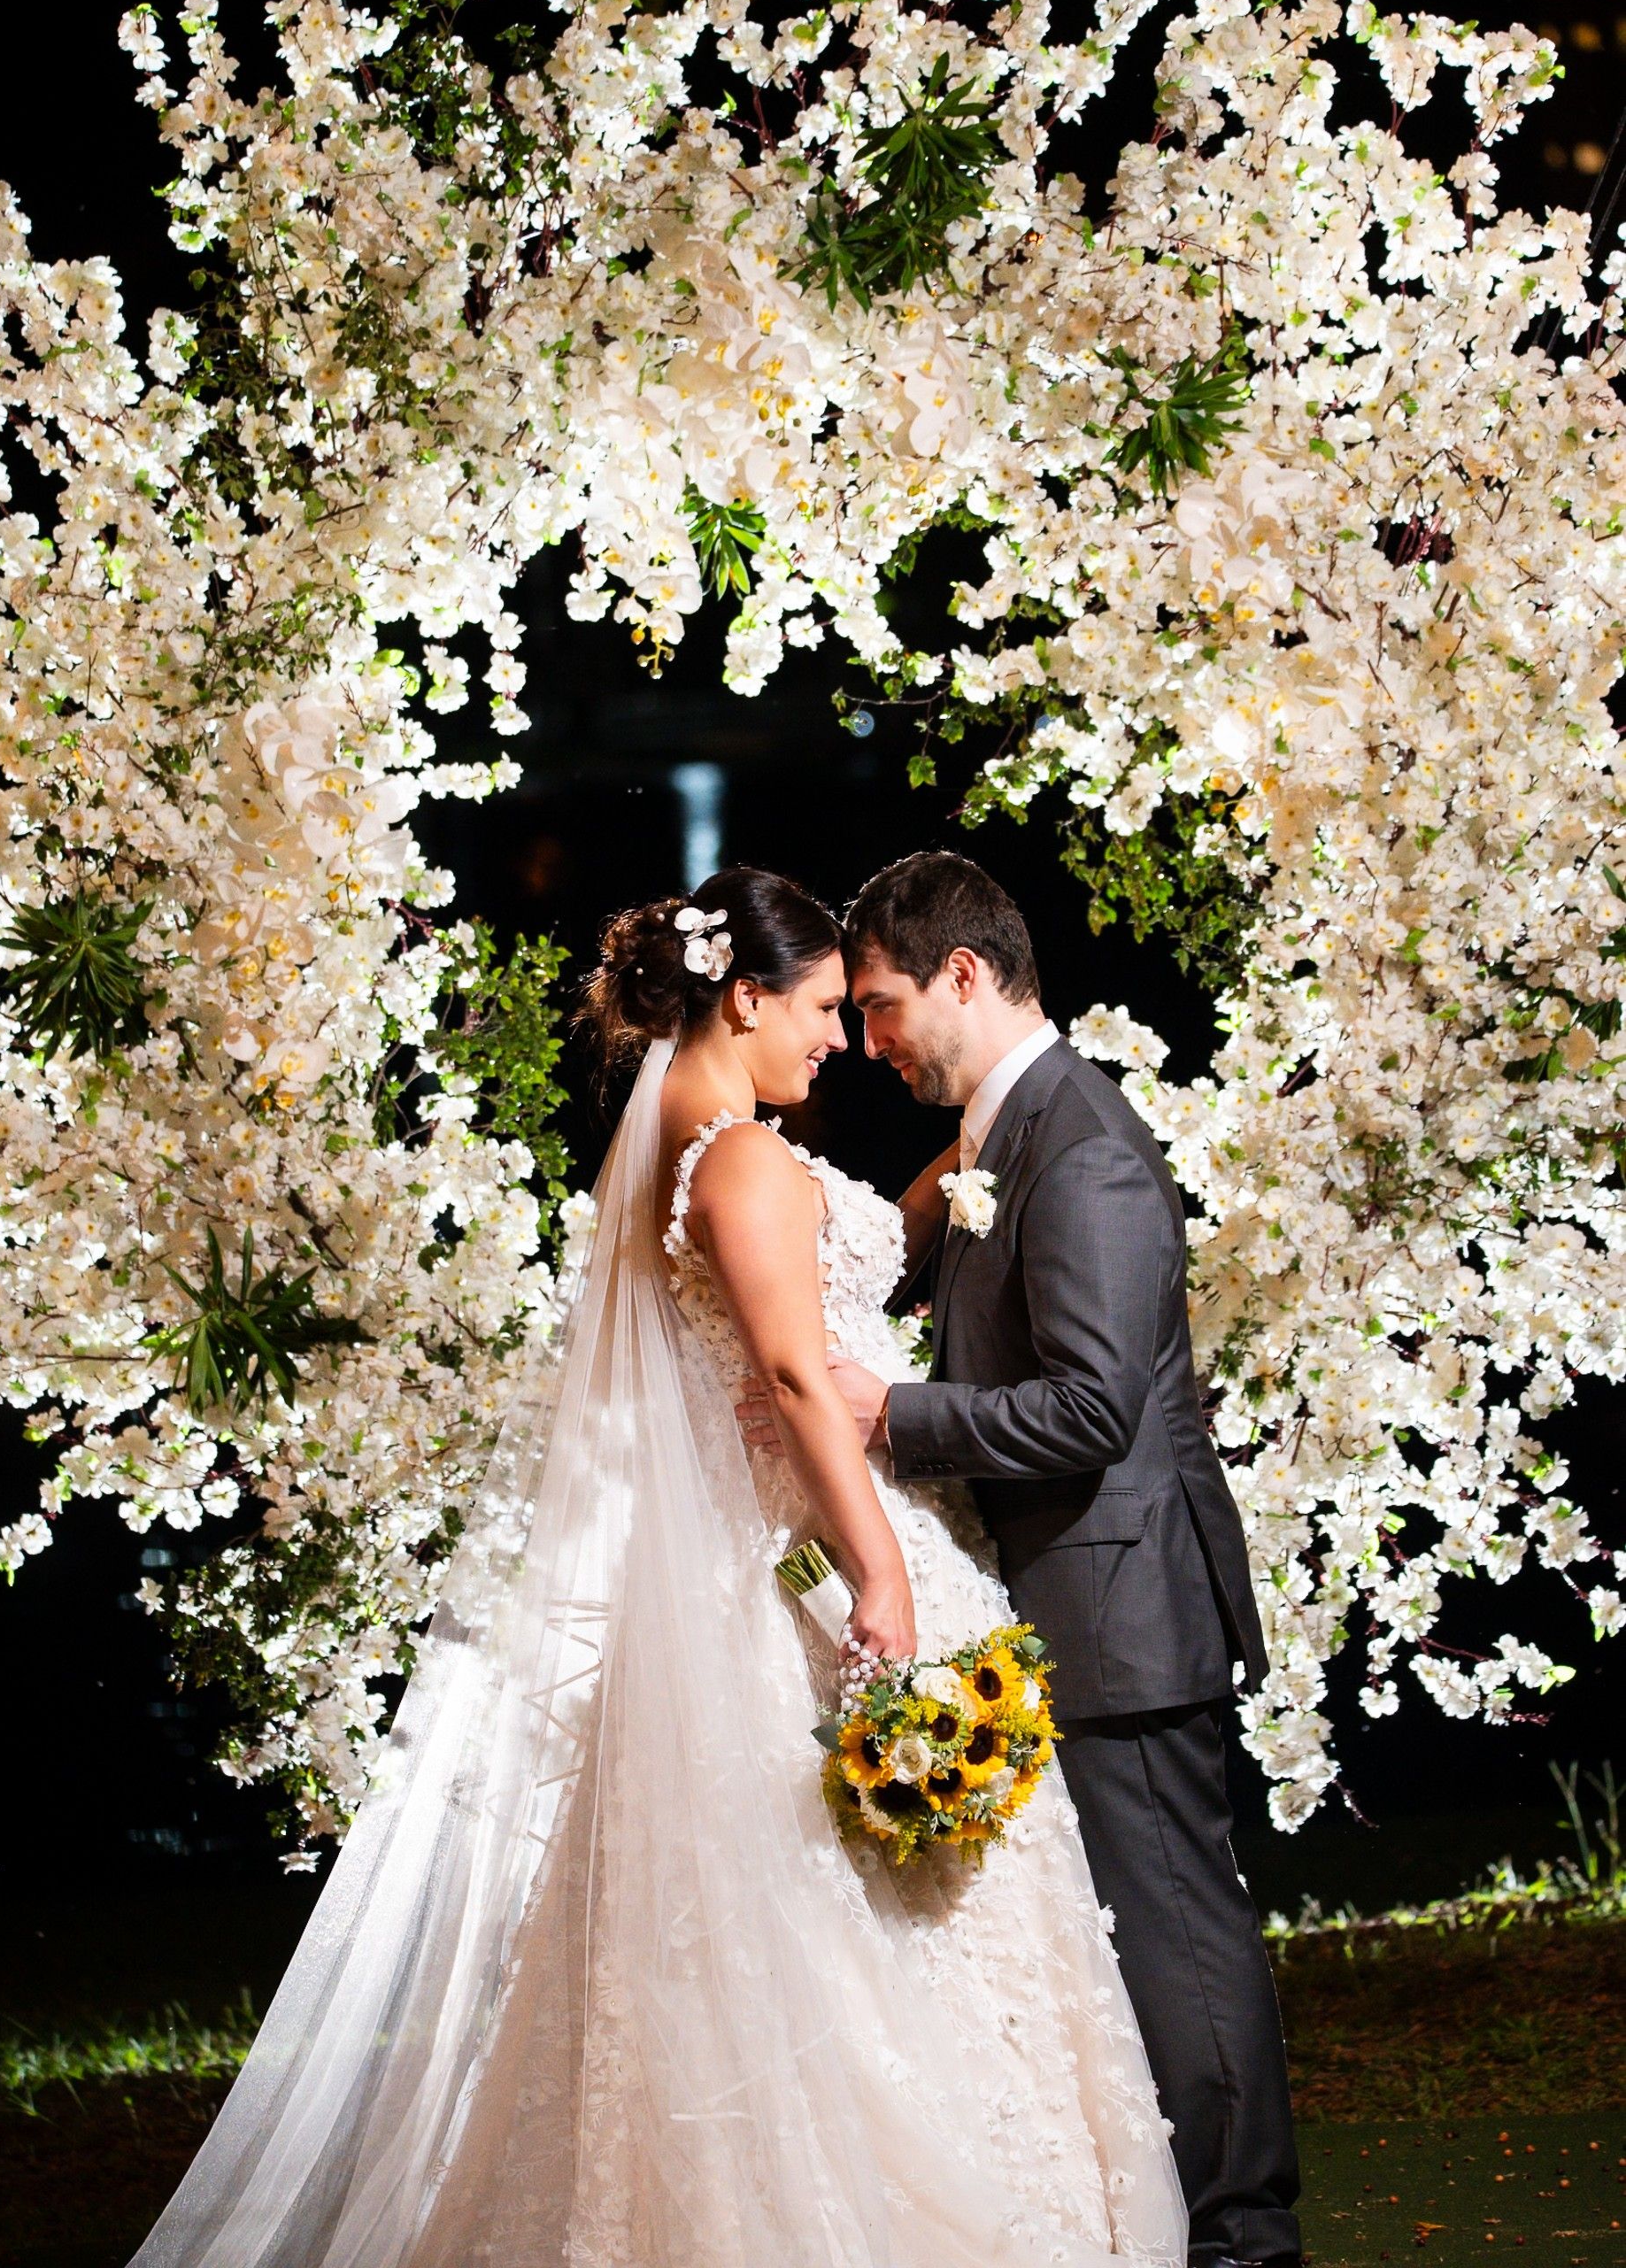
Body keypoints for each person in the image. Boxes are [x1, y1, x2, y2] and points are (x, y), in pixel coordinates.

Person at [126, 864, 1185, 2268]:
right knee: (873, 1916)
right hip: (816, 1552)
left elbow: (816, 1294)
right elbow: (796, 1379)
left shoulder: (691, 1153)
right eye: (822, 1008)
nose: (840, 1040)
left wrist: (982, 1140)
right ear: (744, 998)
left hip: (759, 1553)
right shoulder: (738, 1161)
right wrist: (882, 1573)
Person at [814, 850, 1302, 2268]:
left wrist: (892, 1416)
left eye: (883, 1003)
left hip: (1124, 1609)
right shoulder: (1003, 1134)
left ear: (964, 975)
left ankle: (1248, 2240)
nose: (871, 1041)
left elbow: (1094, 1408)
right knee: (1131, 1947)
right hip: (1076, 1600)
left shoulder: (1078, 1145)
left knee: (1178, 1939)